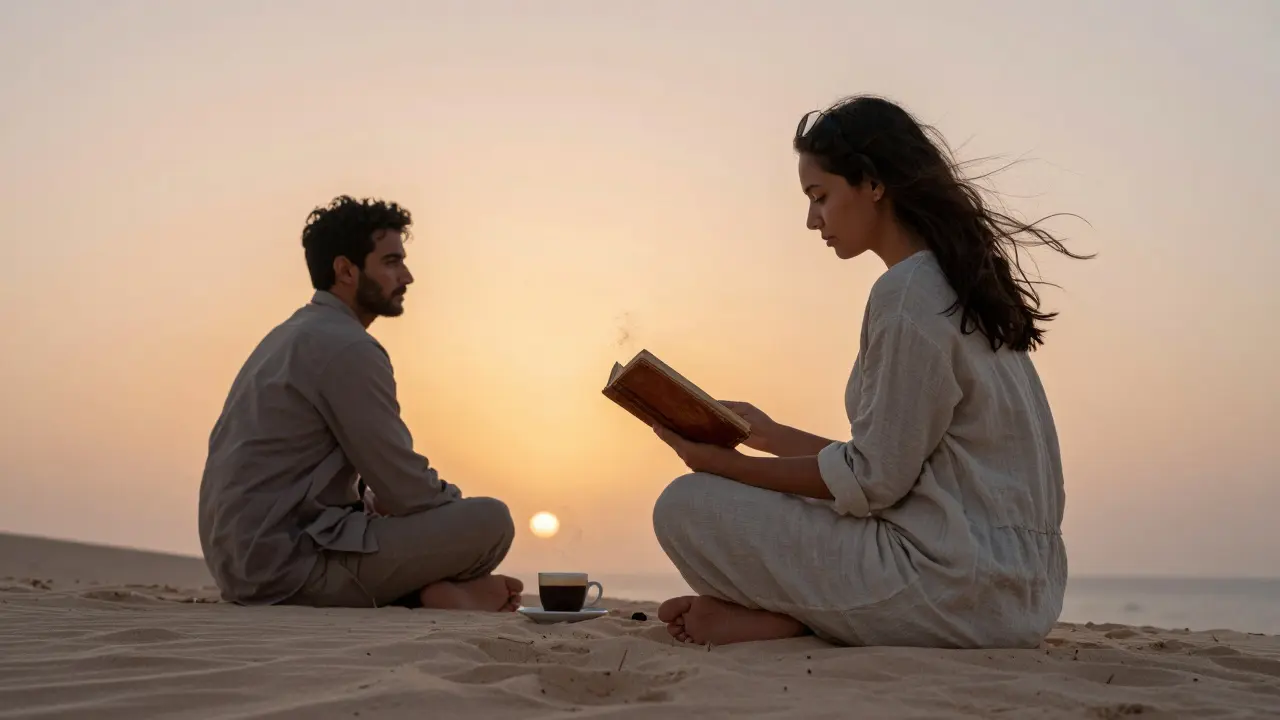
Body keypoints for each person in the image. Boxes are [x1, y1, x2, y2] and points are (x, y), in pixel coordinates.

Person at [650, 95, 1089, 648]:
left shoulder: (908, 293)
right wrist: (771, 436)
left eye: (821, 196)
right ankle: (797, 618)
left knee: (685, 505)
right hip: (1025, 594)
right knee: (785, 498)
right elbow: (896, 470)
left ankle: (796, 619)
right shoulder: (966, 289)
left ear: (874, 184)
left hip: (953, 588)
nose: (812, 219)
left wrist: (724, 465)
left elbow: (872, 482)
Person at [198, 195, 523, 611]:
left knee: (383, 505)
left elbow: (380, 487)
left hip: (245, 564)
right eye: (391, 262)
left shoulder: (291, 335)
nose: (407, 276)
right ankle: (431, 593)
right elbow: (406, 490)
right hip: (287, 569)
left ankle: (429, 594)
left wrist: (384, 503)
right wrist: (448, 511)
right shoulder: (347, 347)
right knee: (491, 522)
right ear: (346, 270)